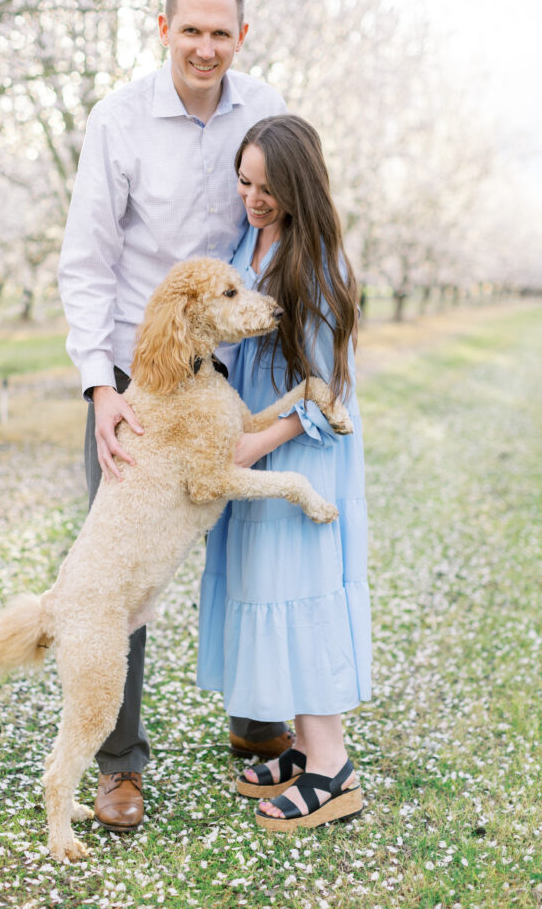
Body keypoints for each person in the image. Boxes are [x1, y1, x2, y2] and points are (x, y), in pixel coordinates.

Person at [58, 0, 292, 833]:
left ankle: (257, 712)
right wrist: (98, 389)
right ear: (163, 29)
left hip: (232, 369)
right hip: (136, 377)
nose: (204, 47)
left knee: (249, 529)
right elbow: (86, 264)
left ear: (241, 35)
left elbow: (286, 220)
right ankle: (119, 765)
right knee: (122, 568)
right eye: (188, 29)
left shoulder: (264, 108)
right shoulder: (117, 121)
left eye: (219, 33)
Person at [197, 114, 371, 829]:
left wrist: (251, 446)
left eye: (267, 186)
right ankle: (301, 746)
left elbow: (330, 397)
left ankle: (331, 769)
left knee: (297, 595)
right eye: (244, 181)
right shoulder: (248, 240)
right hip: (257, 441)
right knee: (263, 587)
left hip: (298, 451)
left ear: (299, 185)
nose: (253, 196)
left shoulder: (316, 266)